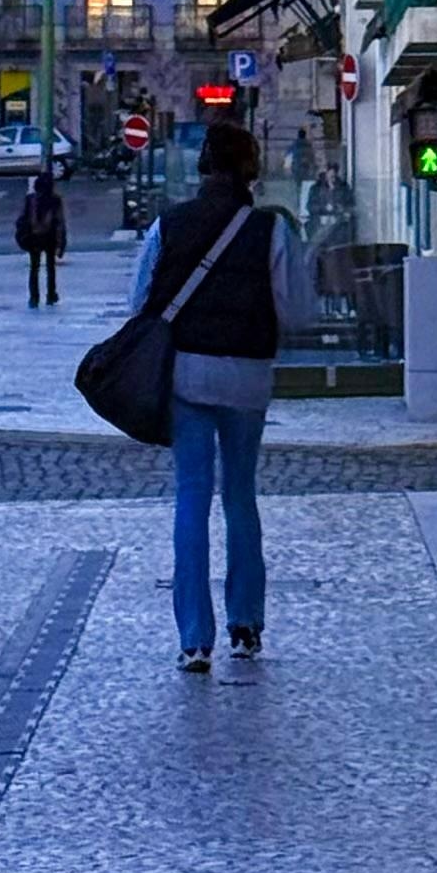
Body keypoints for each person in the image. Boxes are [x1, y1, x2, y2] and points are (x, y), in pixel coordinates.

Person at [123, 118, 307, 671]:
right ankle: (246, 624)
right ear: (250, 168)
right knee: (240, 496)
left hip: (185, 374)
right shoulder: (271, 230)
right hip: (247, 376)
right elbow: (296, 310)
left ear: (203, 167)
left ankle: (193, 637)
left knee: (191, 496)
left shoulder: (168, 226)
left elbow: (138, 303)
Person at [14, 159, 68, 306]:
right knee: (50, 268)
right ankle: (51, 295)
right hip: (49, 237)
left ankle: (34, 297)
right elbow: (60, 222)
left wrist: (22, 235)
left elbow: (22, 218)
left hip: (33, 236)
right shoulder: (55, 200)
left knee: (34, 268)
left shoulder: (30, 199)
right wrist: (61, 243)